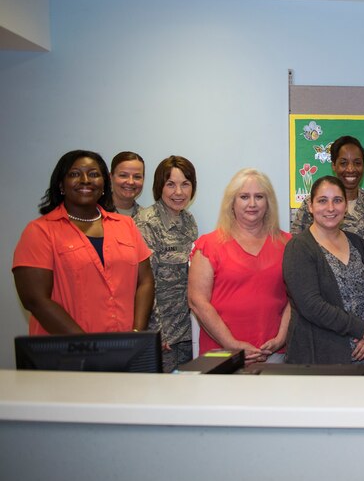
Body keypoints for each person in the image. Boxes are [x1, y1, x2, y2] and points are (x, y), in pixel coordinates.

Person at [13, 150, 154, 334]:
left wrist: (136, 334)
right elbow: (35, 300)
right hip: (65, 354)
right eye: (74, 174)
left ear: (104, 183)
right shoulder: (40, 231)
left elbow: (145, 281)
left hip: (124, 351)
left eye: (94, 174)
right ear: (61, 185)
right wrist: (88, 347)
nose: (86, 180)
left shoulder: (126, 225)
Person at [188, 168, 291, 365]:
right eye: (244, 196)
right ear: (232, 203)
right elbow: (197, 302)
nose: (252, 204)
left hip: (274, 354)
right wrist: (232, 343)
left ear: (268, 203)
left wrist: (280, 339)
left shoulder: (288, 244)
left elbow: (295, 299)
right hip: (221, 356)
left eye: (259, 197)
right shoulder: (209, 245)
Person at [283, 176, 364, 370]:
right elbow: (311, 305)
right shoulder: (299, 247)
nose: (330, 208)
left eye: (337, 200)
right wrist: (362, 329)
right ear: (311, 206)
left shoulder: (357, 242)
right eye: (322, 200)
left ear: (345, 206)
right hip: (320, 360)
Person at [135, 156, 199, 372]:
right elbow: (144, 283)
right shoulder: (146, 223)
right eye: (170, 184)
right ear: (159, 187)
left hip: (187, 330)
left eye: (185, 184)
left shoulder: (189, 221)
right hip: (163, 336)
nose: (179, 192)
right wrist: (156, 332)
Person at [290, 135, 364, 263]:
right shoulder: (315, 205)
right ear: (333, 166)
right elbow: (295, 249)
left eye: (357, 163)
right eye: (343, 163)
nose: (351, 169)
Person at [110, 151, 146, 217]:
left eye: (137, 177)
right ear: (111, 177)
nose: (130, 182)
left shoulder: (147, 218)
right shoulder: (94, 212)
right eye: (123, 175)